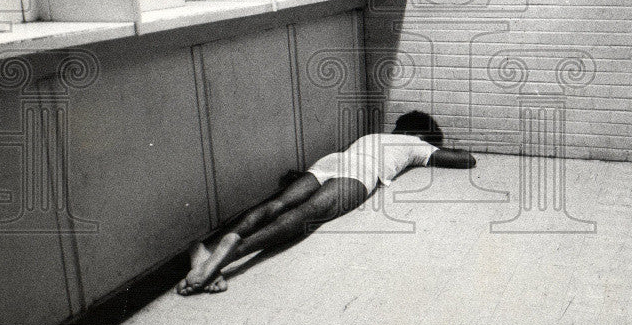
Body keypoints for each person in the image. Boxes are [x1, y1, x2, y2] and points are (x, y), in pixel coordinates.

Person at [177, 111, 475, 295]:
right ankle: (232, 254)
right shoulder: (416, 143)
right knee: (308, 215)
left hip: (333, 160)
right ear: (421, 135)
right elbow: (466, 160)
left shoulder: (372, 135)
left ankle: (209, 249)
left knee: (277, 204)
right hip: (361, 173)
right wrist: (433, 147)